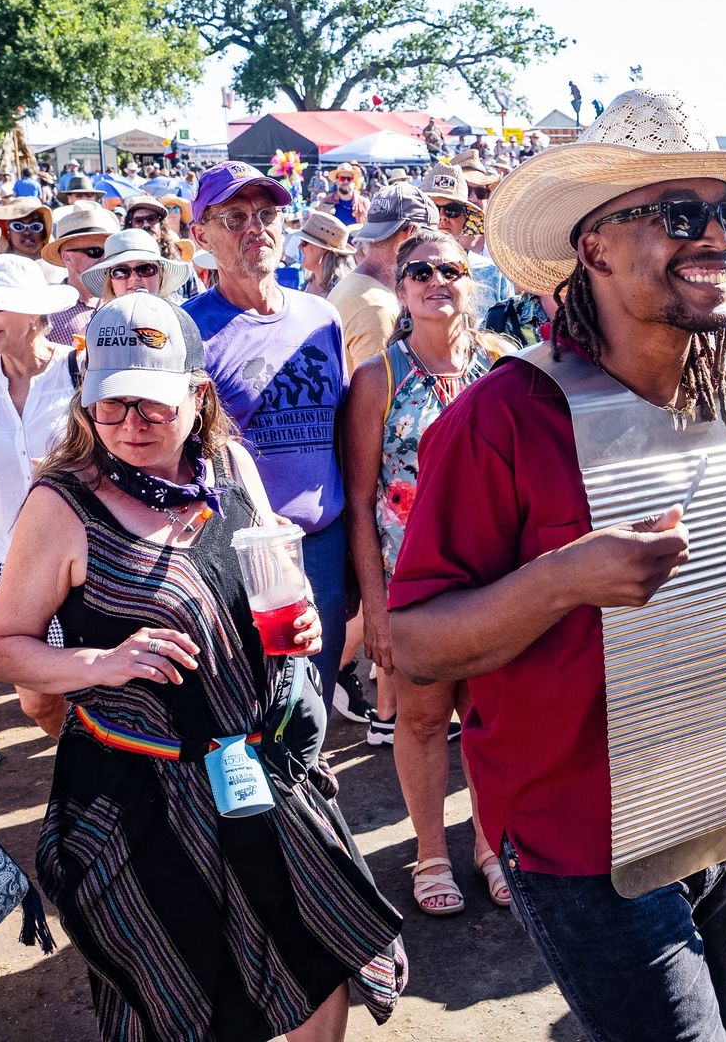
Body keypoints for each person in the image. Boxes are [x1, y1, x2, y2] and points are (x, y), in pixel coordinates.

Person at [386, 89, 726, 1042]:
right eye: (675, 212)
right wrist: (560, 579)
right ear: (595, 246)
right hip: (585, 837)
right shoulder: (500, 420)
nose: (713, 238)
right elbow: (413, 645)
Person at [0, 295, 407, 1041]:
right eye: (109, 408)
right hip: (139, 789)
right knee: (182, 987)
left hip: (255, 765)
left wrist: (300, 611)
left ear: (196, 392)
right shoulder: (64, 504)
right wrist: (99, 662)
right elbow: (3, 645)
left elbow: (273, 573)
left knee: (311, 947)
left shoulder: (228, 467)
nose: (130, 426)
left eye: (151, 405)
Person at [341, 228, 511, 916]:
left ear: (474, 282)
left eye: (452, 268)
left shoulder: (503, 366)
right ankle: (432, 850)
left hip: (498, 579)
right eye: (420, 271)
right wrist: (375, 610)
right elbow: (359, 500)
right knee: (420, 718)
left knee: (494, 717)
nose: (437, 279)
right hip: (413, 583)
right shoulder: (378, 377)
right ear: (401, 288)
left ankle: (493, 844)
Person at [185, 161, 352, 722]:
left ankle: (303, 799)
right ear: (200, 235)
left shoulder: (321, 317)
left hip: (324, 542)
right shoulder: (188, 331)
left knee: (313, 706)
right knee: (248, 704)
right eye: (235, 217)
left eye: (267, 215)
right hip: (238, 551)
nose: (255, 228)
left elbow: (343, 432)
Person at [0, 255, 80, 658]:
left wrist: (70, 473)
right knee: (35, 698)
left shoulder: (79, 370)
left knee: (86, 684)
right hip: (4, 557)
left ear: (32, 312)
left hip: (80, 559)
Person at [329, 184, 438, 371]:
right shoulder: (377, 309)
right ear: (411, 233)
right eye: (431, 239)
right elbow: (379, 394)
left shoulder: (356, 286)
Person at [421, 164, 515, 309]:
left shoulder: (493, 273)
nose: (442, 217)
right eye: (434, 209)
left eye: (452, 210)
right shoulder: (404, 270)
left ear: (465, 219)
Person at [41, 202, 123, 343]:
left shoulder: (123, 296)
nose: (104, 259)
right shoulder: (48, 310)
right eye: (95, 252)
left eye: (109, 252)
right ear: (67, 258)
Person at [80, 229, 195, 302]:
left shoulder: (181, 318)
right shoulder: (97, 329)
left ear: (160, 276)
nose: (134, 278)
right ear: (110, 282)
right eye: (121, 272)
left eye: (145, 269)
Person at [285, 210, 357, 298]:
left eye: (304, 242)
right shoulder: (308, 282)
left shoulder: (342, 291)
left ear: (323, 249)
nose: (300, 247)